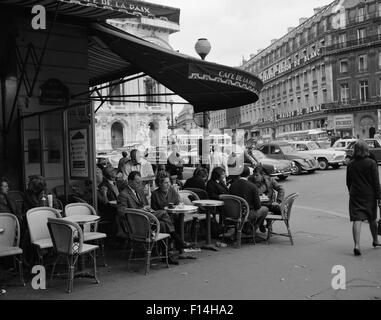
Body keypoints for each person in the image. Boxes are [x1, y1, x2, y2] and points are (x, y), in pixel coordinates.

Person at [117, 171, 182, 264]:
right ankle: (175, 237)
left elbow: (147, 205)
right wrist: (140, 209)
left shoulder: (139, 191)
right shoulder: (123, 194)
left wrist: (147, 208)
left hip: (148, 218)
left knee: (163, 224)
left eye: (140, 182)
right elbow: (121, 212)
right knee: (164, 213)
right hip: (137, 223)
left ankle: (166, 255)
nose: (139, 184)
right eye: (137, 182)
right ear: (130, 182)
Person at [346, 140, 381, 256]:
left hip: (355, 194)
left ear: (355, 150)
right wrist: (379, 197)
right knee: (372, 218)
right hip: (369, 195)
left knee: (357, 219)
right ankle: (375, 240)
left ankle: (357, 245)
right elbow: (376, 182)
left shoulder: (351, 164)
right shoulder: (371, 163)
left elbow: (348, 182)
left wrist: (351, 191)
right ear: (366, 150)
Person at [150, 171, 191, 250]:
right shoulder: (155, 194)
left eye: (169, 182)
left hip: (173, 215)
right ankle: (176, 241)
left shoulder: (172, 190)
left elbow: (177, 203)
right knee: (166, 222)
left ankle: (176, 243)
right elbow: (154, 209)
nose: (168, 184)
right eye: (165, 183)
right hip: (162, 217)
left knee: (178, 220)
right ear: (160, 184)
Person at [229, 166, 269, 234]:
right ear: (248, 175)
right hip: (246, 214)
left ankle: (247, 227)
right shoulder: (252, 186)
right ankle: (254, 229)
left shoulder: (232, 186)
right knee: (265, 209)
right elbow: (258, 206)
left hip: (233, 213)